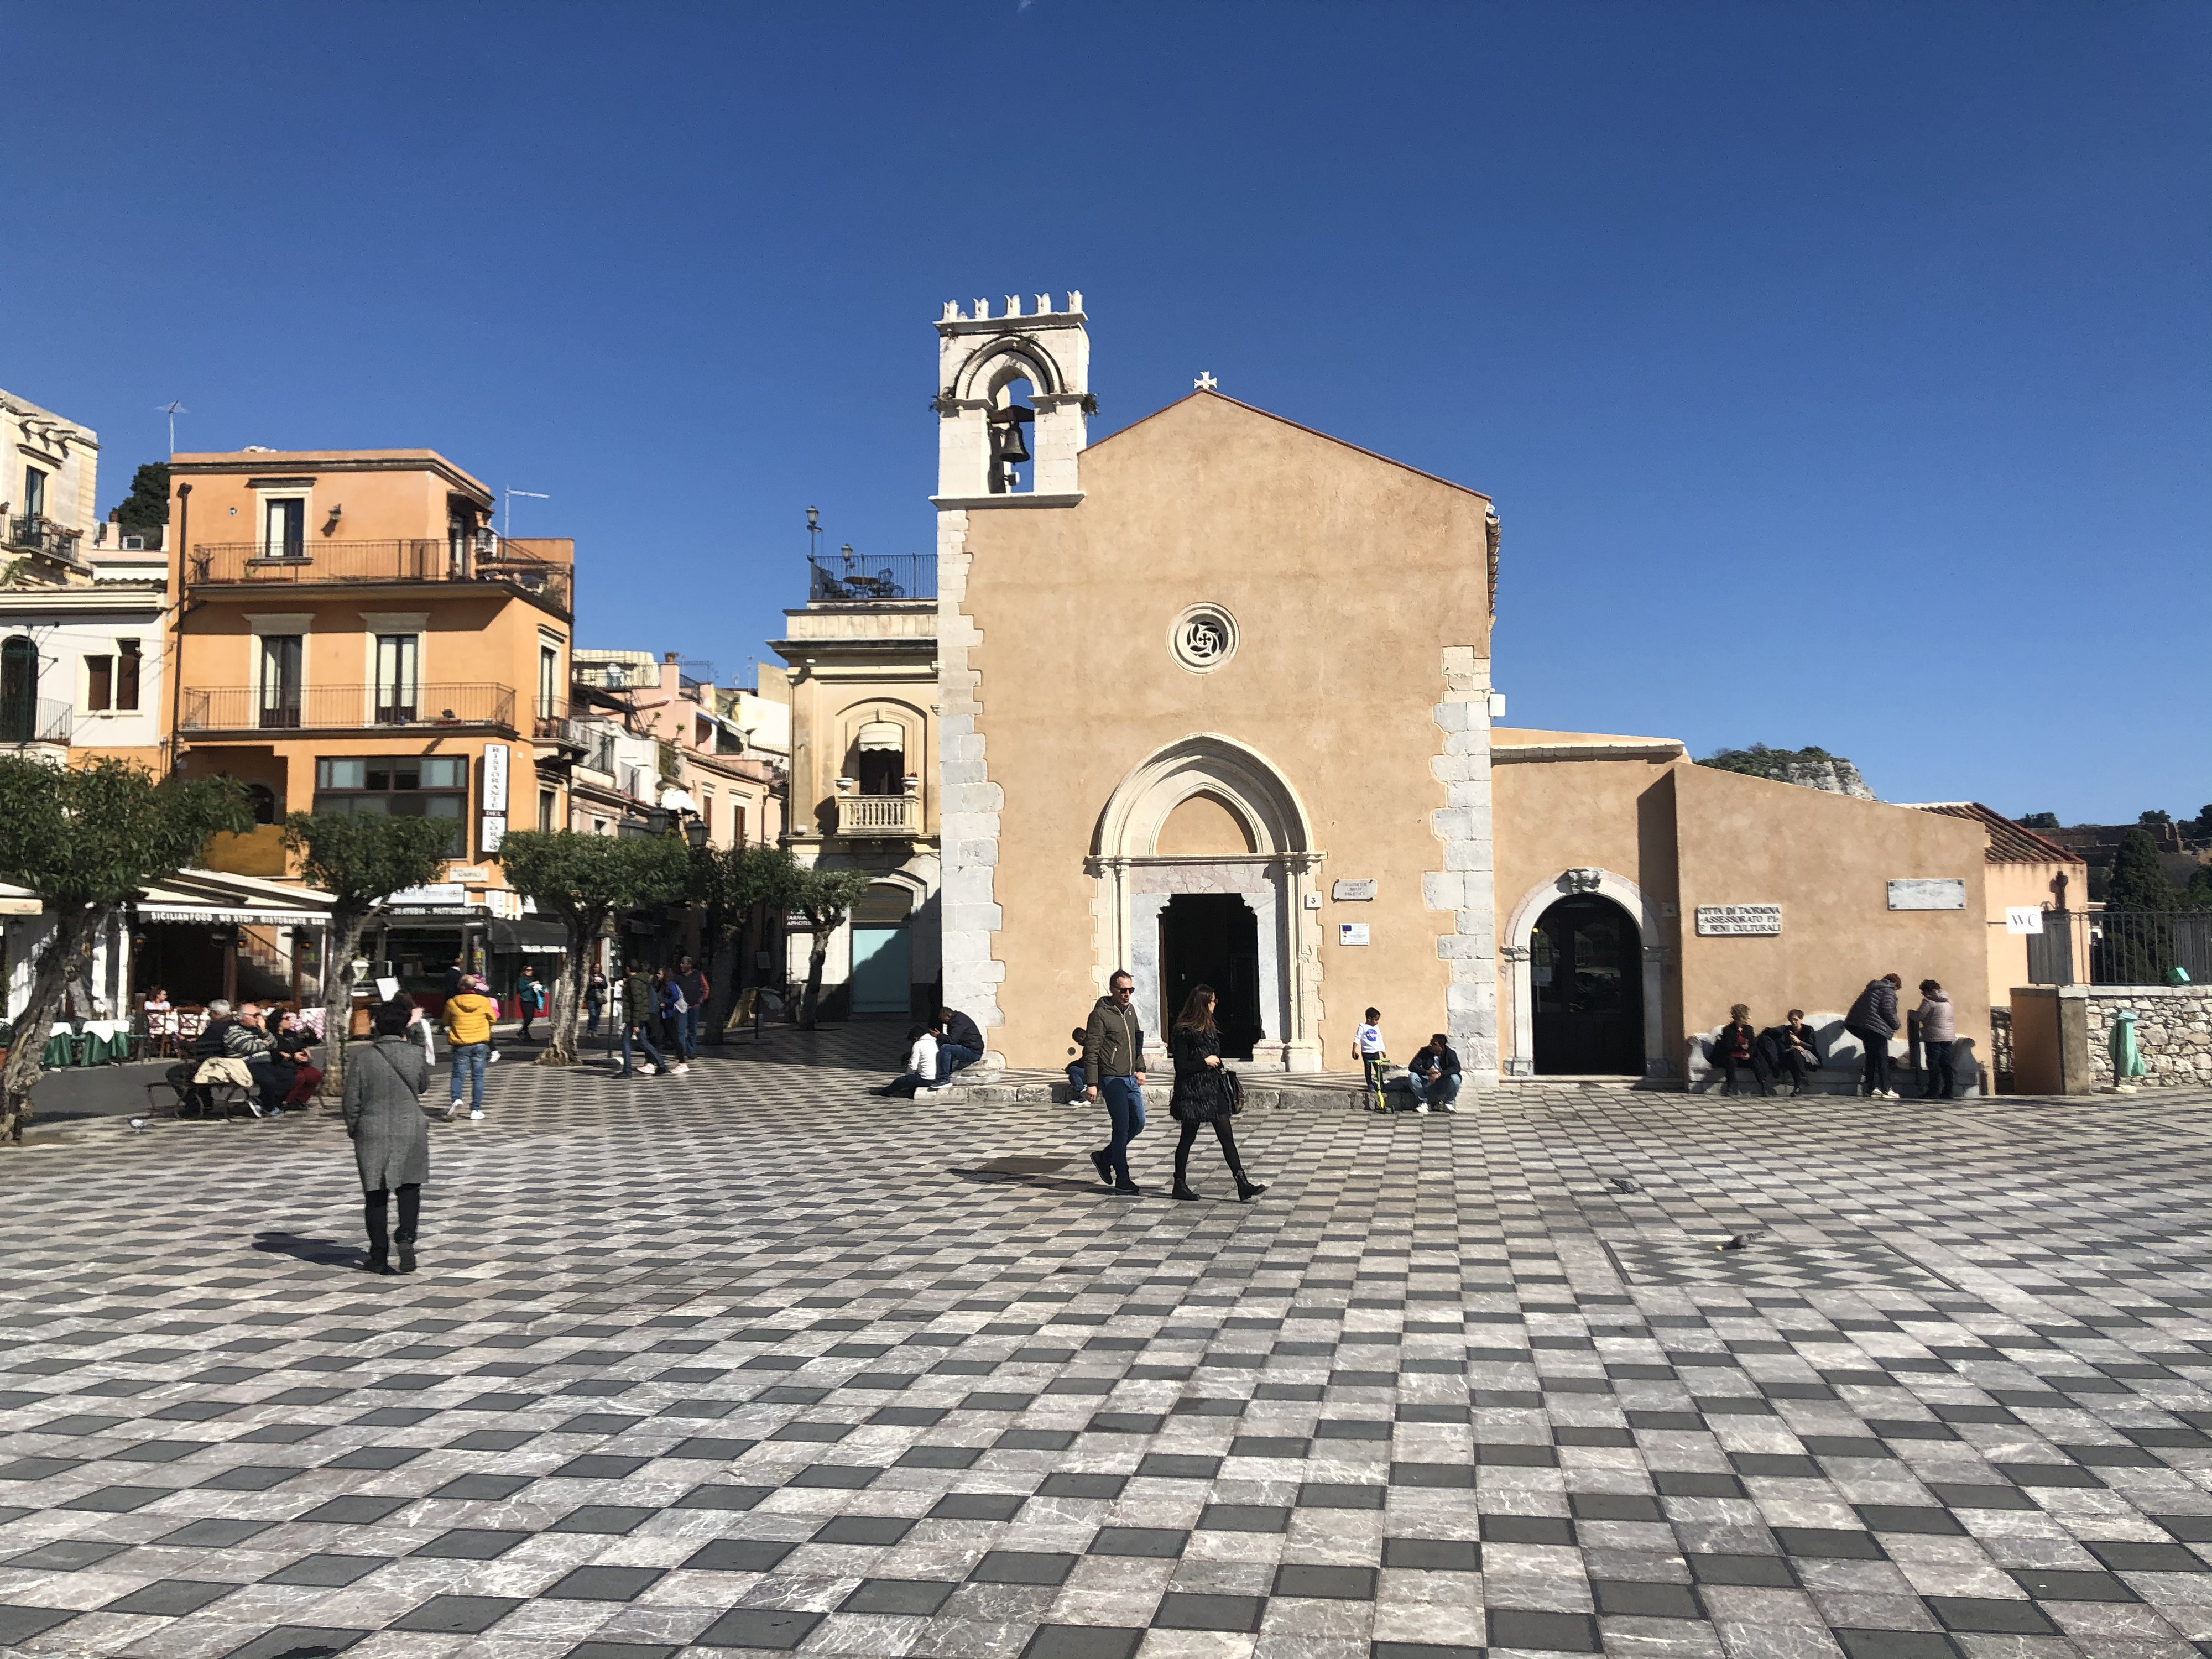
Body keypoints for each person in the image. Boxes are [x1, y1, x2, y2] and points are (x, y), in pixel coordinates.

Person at [343, 997, 431, 1275]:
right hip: (410, 1127)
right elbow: (423, 1086)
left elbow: (351, 1101)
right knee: (409, 1187)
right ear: (405, 1025)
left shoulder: (363, 1058)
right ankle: (405, 1237)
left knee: (375, 1193)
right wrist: (416, 1031)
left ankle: (378, 1253)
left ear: (377, 1027)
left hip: (372, 1128)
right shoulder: (415, 1055)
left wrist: (354, 1128)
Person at [1167, 984, 1266, 1203]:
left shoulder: (1210, 1028)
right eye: (1212, 1001)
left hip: (1214, 1090)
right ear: (1203, 1003)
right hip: (1193, 1093)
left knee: (1227, 1137)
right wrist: (1205, 1062)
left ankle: (1242, 1183)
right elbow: (1181, 1066)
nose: (1215, 1005)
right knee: (1187, 1139)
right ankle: (1179, 1184)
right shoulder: (1184, 1030)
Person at [1084, 970, 1147, 1196]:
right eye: (1123, 990)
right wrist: (1092, 1083)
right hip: (1112, 1078)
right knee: (1121, 1127)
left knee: (1138, 1123)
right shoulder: (1100, 1015)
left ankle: (1106, 1156)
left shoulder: (1130, 1011)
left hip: (1131, 1077)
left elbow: (1136, 1041)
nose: (1127, 994)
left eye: (1130, 990)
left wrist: (1140, 1067)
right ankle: (1123, 1177)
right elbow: (1091, 1051)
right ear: (1112, 989)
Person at [440, 974, 496, 1121]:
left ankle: (456, 1099)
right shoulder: (484, 1001)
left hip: (461, 1043)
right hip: (480, 1043)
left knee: (458, 1075)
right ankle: (476, 1109)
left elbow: (446, 1020)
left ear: (461, 987)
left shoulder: (452, 1002)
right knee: (478, 1077)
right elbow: (493, 1019)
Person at [1845, 973, 1903, 1099]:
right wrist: (1896, 1024)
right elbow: (1888, 1009)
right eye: (1897, 988)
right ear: (1895, 984)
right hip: (1877, 1029)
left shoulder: (1871, 989)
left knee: (1871, 1058)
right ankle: (1886, 1089)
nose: (1896, 991)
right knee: (1882, 1059)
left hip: (1864, 1027)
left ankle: (1869, 1088)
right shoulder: (1888, 991)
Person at [619, 962, 680, 1077]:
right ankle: (661, 1065)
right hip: (640, 1016)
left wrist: (635, 1023)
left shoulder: (635, 982)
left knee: (626, 1041)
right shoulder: (641, 981)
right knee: (644, 1042)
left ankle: (627, 1070)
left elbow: (637, 1003)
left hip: (635, 1018)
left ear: (628, 969)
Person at [1713, 1004, 1770, 1095]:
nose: (1749, 1017)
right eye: (1747, 1015)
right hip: (1733, 1056)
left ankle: (1764, 1087)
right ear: (1741, 1016)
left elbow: (1753, 1045)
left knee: (1755, 1061)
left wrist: (1749, 1054)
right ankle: (1730, 1087)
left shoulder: (1749, 1029)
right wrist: (1740, 1047)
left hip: (1745, 1056)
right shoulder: (1728, 1030)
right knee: (1730, 1061)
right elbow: (1727, 1047)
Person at [1760, 1010, 1821, 1094]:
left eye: (1796, 1020)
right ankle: (1800, 1082)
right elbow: (1783, 1045)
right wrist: (1793, 1047)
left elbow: (1812, 1047)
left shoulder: (1808, 1030)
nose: (1794, 1022)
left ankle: (1799, 1083)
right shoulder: (1787, 1030)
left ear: (1801, 1019)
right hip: (1791, 1057)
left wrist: (1799, 1042)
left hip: (1807, 1058)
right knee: (1793, 1054)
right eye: (1791, 1020)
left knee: (1795, 1055)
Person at [1916, 979, 1958, 1099]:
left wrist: (1911, 1014)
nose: (1923, 994)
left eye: (1923, 991)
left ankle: (1933, 1091)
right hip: (1948, 1036)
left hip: (1933, 1036)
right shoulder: (1948, 1001)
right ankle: (1948, 1091)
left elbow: (1919, 1016)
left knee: (1933, 1064)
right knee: (1946, 1064)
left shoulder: (1928, 1002)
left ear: (1927, 991)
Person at [273, 1010, 323, 1108]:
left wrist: (305, 1051)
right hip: (284, 1064)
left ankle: (300, 1100)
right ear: (279, 1021)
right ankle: (286, 1101)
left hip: (298, 1063)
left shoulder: (290, 1034)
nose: (290, 1021)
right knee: (299, 1078)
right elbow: (276, 1052)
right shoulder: (274, 1036)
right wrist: (293, 1056)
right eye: (287, 1019)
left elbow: (300, 1044)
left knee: (315, 1075)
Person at [1406, 1032, 1462, 1113]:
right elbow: (1412, 1066)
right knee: (1413, 1076)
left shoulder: (1450, 1054)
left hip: (1443, 1082)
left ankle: (1448, 1104)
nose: (1430, 1045)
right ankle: (1424, 1103)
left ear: (1441, 1047)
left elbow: (1456, 1068)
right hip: (1427, 1081)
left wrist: (1440, 1074)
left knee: (1456, 1078)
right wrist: (1426, 1072)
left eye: (1434, 1044)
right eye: (1431, 1042)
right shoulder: (1424, 1051)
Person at [881, 1021, 940, 1098]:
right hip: (938, 1078)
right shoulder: (935, 1042)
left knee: (899, 1081)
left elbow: (913, 1066)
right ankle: (907, 1092)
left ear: (915, 1039)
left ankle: (885, 1092)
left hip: (926, 1079)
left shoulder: (918, 1044)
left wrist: (908, 1077)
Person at [936, 1006, 984, 1086]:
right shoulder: (956, 1019)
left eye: (943, 1019)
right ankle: (945, 1071)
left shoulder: (958, 1022)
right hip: (968, 1048)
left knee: (946, 1048)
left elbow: (952, 1040)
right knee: (942, 1044)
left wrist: (939, 1035)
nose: (943, 1022)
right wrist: (940, 1036)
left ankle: (944, 1079)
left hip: (973, 1052)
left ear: (948, 1016)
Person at [674, 956, 709, 1058]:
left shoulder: (698, 975)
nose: (681, 965)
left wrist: (701, 1000)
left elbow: (706, 988)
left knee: (693, 1030)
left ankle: (692, 1051)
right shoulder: (678, 977)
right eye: (681, 963)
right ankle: (681, 1052)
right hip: (682, 1008)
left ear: (689, 965)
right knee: (681, 1030)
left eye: (684, 963)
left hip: (694, 1006)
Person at [1355, 1007, 1387, 1108]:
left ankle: (1381, 1085)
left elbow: (1380, 1039)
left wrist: (1383, 1050)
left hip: (1375, 1052)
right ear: (1369, 1018)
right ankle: (1370, 1084)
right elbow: (1357, 1038)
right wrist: (1354, 1050)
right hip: (1366, 1053)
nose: (1377, 1022)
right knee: (1368, 1068)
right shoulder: (1363, 1027)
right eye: (1376, 1019)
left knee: (1378, 1069)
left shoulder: (1376, 1029)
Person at [517, 971, 546, 1041]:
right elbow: (521, 989)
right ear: (524, 971)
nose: (530, 972)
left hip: (532, 1000)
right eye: (528, 970)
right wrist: (530, 985)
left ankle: (524, 1032)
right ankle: (523, 1031)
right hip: (525, 1000)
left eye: (531, 970)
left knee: (531, 1017)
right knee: (528, 1017)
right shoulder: (521, 980)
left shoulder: (533, 980)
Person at [1065, 1027, 1089, 1102]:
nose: (1079, 1044)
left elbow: (1086, 1061)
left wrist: (1071, 1066)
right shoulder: (1094, 1042)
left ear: (1082, 1037)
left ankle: (1081, 1093)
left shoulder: (1089, 1045)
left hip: (1097, 1074)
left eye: (1078, 1041)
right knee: (1073, 1073)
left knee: (1073, 1070)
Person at [585, 967, 608, 1037]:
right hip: (591, 997)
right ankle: (590, 1030)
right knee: (593, 1014)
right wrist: (592, 983)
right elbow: (586, 987)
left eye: (598, 967)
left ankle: (594, 1030)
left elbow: (605, 986)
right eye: (595, 967)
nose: (596, 969)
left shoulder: (602, 976)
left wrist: (602, 982)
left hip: (599, 998)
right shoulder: (589, 977)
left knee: (597, 1015)